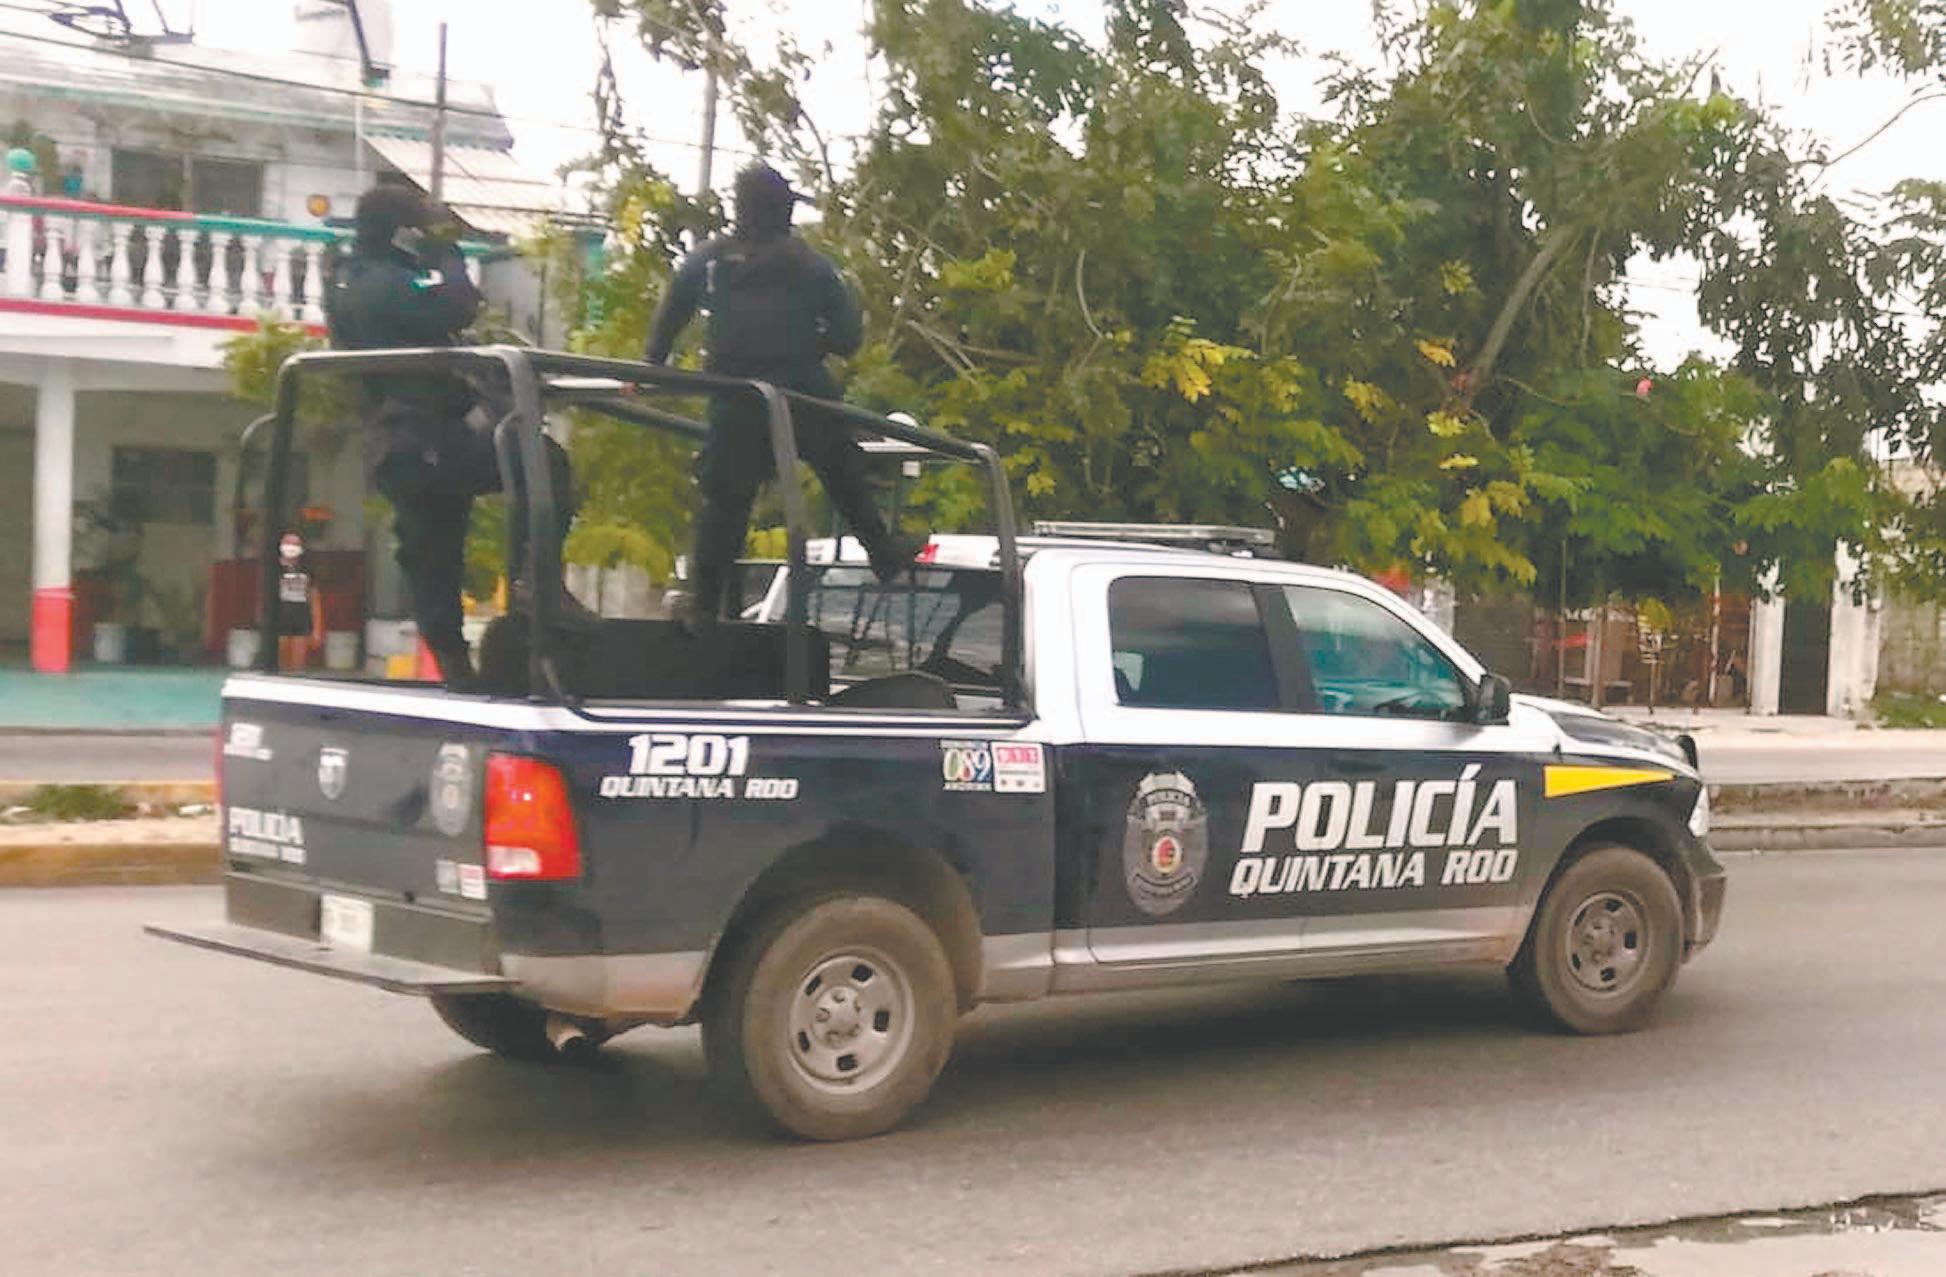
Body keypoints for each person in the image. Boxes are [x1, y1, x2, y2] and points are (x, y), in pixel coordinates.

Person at [325, 185, 585, 688]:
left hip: (398, 444)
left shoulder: (345, 279)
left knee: (433, 557)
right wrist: (446, 255)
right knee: (542, 462)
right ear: (402, 232)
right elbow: (460, 306)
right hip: (427, 438)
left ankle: (458, 676)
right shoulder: (385, 284)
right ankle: (536, 582)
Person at [644, 163, 916, 630]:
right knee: (842, 469)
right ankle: (882, 550)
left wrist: (653, 363)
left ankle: (705, 604)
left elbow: (673, 309)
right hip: (801, 391)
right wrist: (808, 343)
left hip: (733, 396)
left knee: (724, 502)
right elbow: (848, 338)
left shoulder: (710, 260)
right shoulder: (811, 264)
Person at [275, 531, 324, 672]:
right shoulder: (274, 568)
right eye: (287, 543)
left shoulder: (307, 570)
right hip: (280, 617)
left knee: (298, 664)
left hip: (301, 618)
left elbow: (314, 600)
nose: (291, 547)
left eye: (295, 544)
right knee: (280, 662)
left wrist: (317, 629)